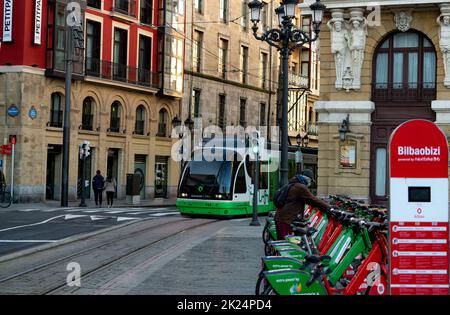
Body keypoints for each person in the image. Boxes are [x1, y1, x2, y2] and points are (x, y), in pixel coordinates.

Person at [274, 170, 330, 240]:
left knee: (281, 242)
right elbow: (312, 199)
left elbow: (308, 200)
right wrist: (328, 207)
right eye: (310, 181)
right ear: (307, 179)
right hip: (286, 219)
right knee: (288, 243)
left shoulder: (293, 184)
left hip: (280, 217)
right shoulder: (301, 187)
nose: (310, 183)